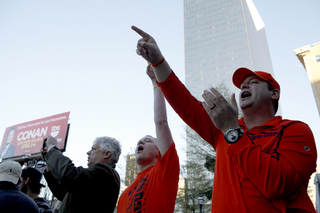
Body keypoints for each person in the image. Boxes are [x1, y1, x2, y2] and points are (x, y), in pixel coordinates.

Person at [131, 26, 317, 212]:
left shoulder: (294, 130)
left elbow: (277, 184)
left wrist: (231, 130)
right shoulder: (221, 129)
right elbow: (184, 102)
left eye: (253, 82)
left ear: (274, 93)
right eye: (242, 84)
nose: (244, 85)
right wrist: (158, 62)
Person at [117, 64, 180, 212]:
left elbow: (161, 122)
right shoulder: (124, 196)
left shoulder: (165, 170)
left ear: (160, 150)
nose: (140, 141)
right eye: (140, 141)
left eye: (148, 140)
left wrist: (154, 81)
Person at [41, 135, 121, 213]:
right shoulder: (99, 175)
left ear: (106, 154)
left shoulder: (105, 172)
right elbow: (64, 194)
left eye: (93, 149)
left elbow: (70, 175)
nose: (88, 152)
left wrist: (52, 148)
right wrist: (48, 160)